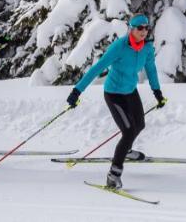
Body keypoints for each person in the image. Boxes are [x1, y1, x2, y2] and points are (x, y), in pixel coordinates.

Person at [65, 13, 167, 190]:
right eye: (139, 28)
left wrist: (157, 91)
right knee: (128, 131)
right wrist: (77, 91)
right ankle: (113, 175)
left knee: (140, 125)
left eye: (146, 28)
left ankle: (126, 150)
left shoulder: (147, 48)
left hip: (130, 91)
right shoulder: (119, 47)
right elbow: (97, 68)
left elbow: (151, 69)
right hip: (114, 94)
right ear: (131, 29)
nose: (143, 31)